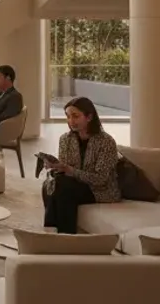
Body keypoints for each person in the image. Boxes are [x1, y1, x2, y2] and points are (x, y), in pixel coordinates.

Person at [42, 96, 120, 234]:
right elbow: (64, 170)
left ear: (89, 117)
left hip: (100, 190)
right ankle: (55, 232)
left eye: (75, 116)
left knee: (64, 187)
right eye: (68, 116)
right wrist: (55, 168)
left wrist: (69, 170)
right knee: (51, 184)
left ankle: (61, 234)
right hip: (74, 183)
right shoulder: (66, 139)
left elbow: (100, 179)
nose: (71, 121)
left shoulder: (106, 142)